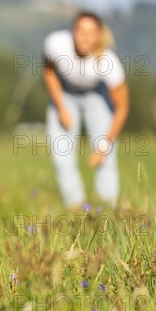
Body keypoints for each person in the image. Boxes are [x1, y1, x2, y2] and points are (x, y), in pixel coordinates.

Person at [43, 11, 129, 209]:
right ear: (72, 31)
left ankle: (107, 208)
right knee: (62, 154)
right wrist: (60, 107)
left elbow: (122, 108)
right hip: (64, 93)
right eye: (80, 30)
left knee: (105, 155)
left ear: (99, 35)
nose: (85, 36)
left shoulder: (108, 62)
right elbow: (48, 72)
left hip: (97, 96)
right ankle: (75, 208)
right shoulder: (56, 44)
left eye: (91, 32)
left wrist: (105, 145)